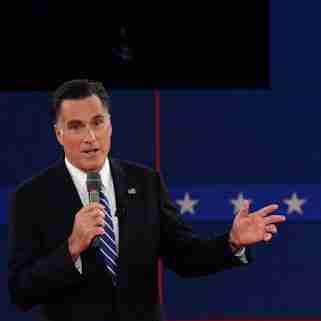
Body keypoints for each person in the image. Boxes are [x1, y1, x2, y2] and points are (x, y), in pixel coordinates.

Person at [8, 79, 286, 321]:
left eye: (97, 123)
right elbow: (21, 291)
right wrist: (71, 248)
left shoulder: (145, 183)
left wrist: (232, 241)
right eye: (76, 127)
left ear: (110, 125)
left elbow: (185, 256)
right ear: (59, 134)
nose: (90, 138)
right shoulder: (32, 197)